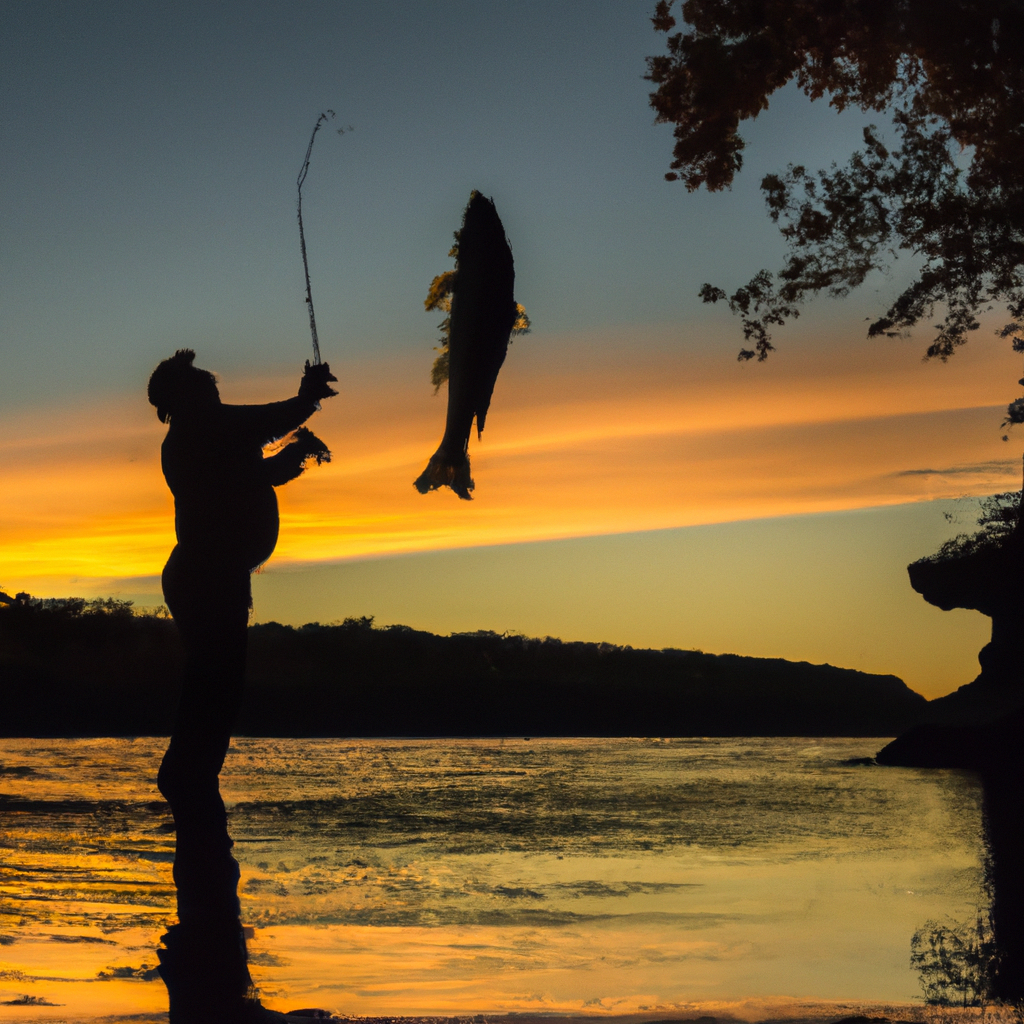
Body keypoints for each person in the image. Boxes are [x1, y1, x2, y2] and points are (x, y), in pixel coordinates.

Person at [147, 349, 337, 1022]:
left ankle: (189, 782)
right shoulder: (202, 431)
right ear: (182, 399)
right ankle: (186, 781)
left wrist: (292, 446)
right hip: (208, 580)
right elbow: (260, 432)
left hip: (212, 578)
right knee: (214, 689)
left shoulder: (202, 434)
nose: (213, 390)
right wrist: (305, 404)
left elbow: (250, 467)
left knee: (213, 689)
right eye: (203, 385)